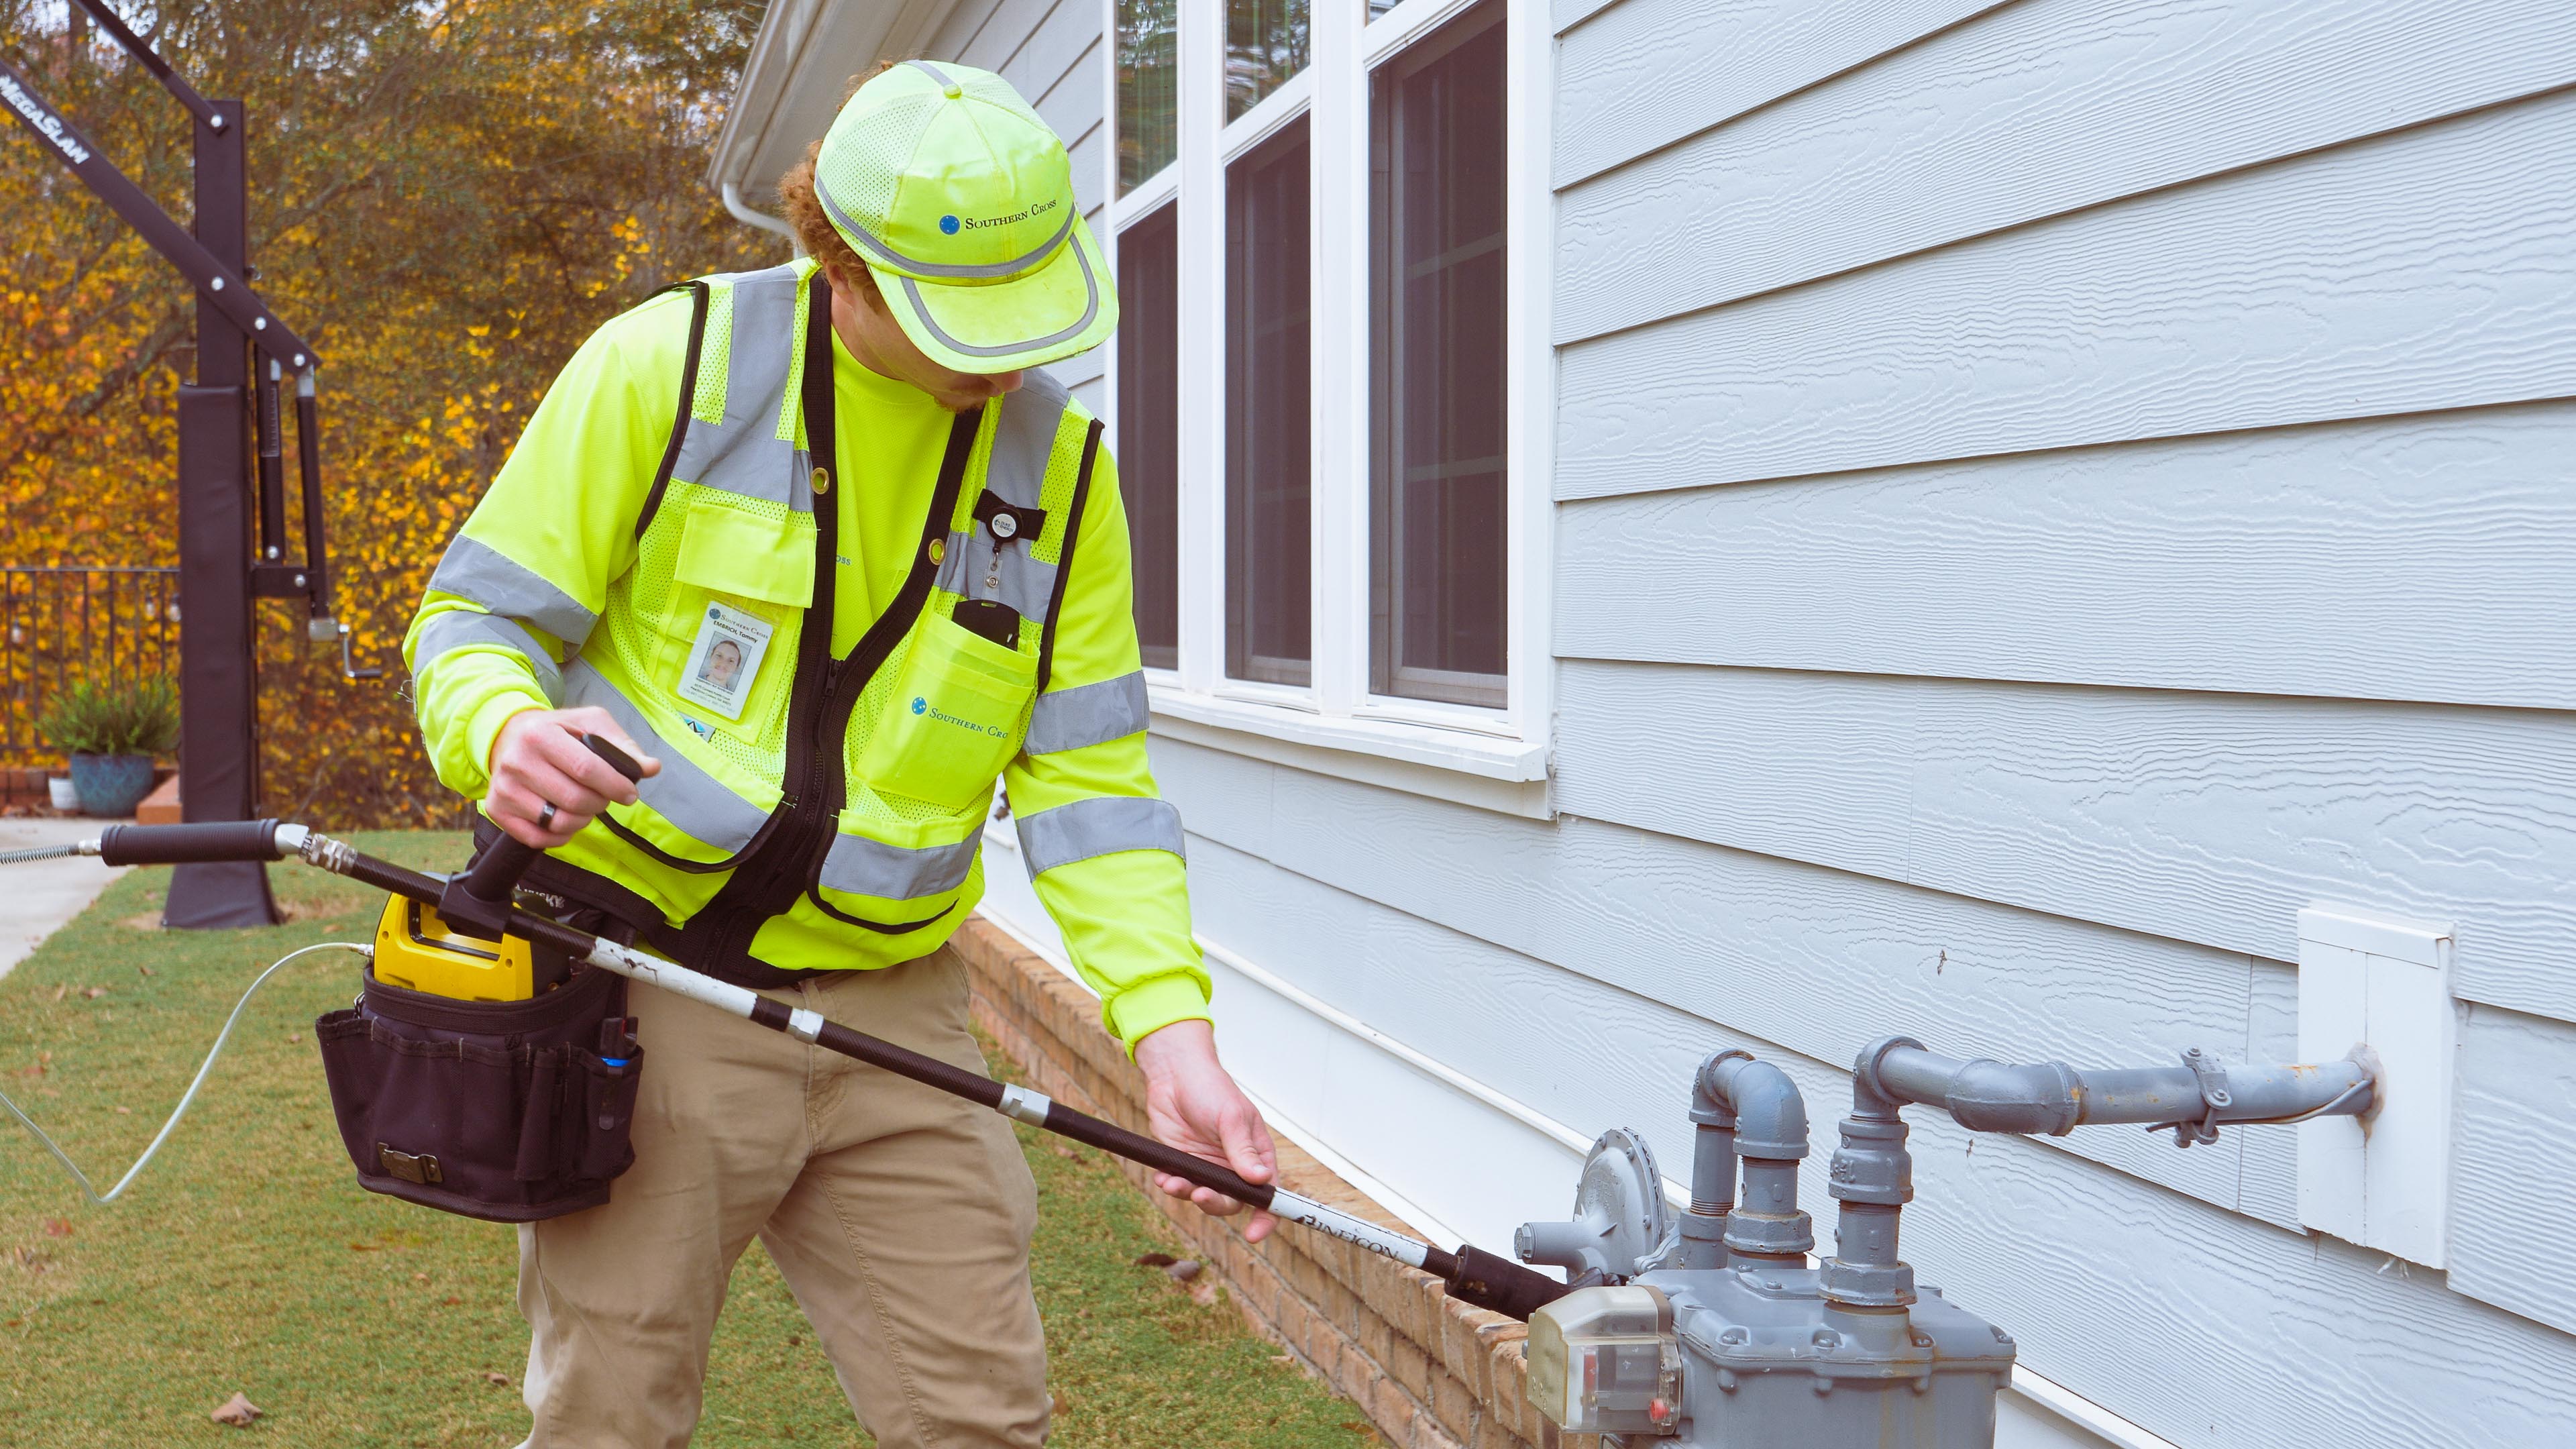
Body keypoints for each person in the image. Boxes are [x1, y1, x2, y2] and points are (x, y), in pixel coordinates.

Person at [402, 60, 1273, 1449]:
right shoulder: (670, 367)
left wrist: (1172, 1034)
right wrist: (502, 725)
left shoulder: (1065, 478)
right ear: (842, 262)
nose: (999, 361)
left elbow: (1091, 783)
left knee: (982, 1417)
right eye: (961, 323)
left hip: (899, 1012)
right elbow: (478, 619)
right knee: (608, 1416)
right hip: (651, 981)